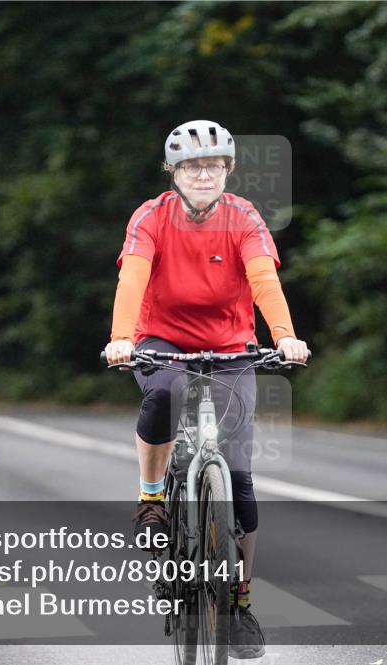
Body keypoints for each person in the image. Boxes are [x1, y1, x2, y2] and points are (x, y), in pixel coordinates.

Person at [103, 119, 309, 659]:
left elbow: (265, 280)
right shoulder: (151, 217)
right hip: (161, 341)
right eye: (192, 166)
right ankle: (152, 501)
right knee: (166, 391)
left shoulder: (244, 218)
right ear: (173, 171)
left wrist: (285, 338)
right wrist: (122, 339)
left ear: (227, 171)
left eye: (212, 165)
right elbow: (133, 279)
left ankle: (239, 601)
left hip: (231, 348)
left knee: (240, 484)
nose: (202, 175)